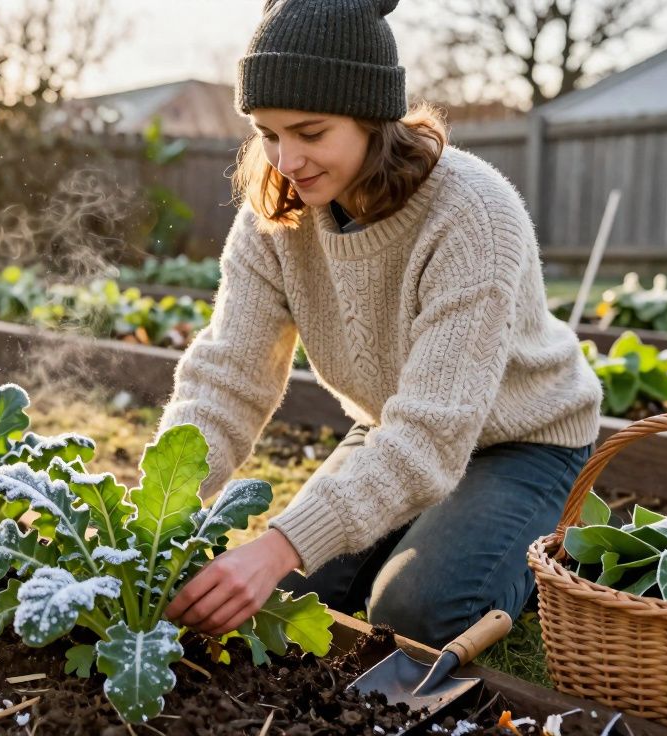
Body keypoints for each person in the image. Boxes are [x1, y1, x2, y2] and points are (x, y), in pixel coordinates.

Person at [159, 0, 602, 648]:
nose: (285, 159)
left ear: (374, 117)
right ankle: (441, 526)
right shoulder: (273, 221)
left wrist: (281, 543)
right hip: (395, 429)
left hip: (521, 441)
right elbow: (227, 376)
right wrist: (164, 504)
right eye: (267, 132)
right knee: (289, 608)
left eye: (310, 133)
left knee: (415, 613)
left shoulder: (471, 213)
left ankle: (551, 542)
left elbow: (434, 433)